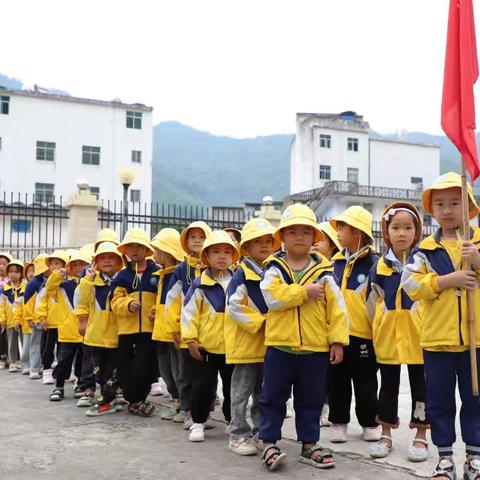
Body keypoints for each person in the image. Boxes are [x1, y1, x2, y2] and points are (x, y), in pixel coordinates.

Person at [258, 204, 349, 471]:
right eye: (293, 231)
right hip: (280, 347)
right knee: (272, 397)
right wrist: (303, 293)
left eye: (306, 232)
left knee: (311, 398)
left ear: (315, 237)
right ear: (282, 237)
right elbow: (271, 297)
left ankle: (309, 445)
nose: (299, 237)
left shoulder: (325, 273)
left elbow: (338, 309)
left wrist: (337, 341)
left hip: (315, 348)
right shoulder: (273, 268)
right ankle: (269, 442)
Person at [402, 172, 480, 480]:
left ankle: (474, 459)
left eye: (454, 202)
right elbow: (411, 286)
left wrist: (477, 259)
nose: (447, 210)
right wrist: (447, 280)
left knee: (475, 399)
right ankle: (445, 459)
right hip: (437, 341)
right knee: (440, 401)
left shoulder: (476, 243)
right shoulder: (425, 250)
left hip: (476, 341)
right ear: (432, 210)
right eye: (440, 204)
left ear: (469, 207)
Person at [367, 202, 429, 462]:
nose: (401, 233)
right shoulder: (379, 267)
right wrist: (379, 325)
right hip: (389, 336)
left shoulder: (424, 262)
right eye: (395, 227)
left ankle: (421, 435)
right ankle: (386, 433)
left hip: (419, 335)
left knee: (421, 386)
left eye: (407, 227)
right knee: (388, 386)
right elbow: (371, 304)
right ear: (386, 231)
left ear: (417, 232)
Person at [225, 218, 280, 455]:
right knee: (240, 392)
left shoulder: (275, 271)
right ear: (245, 247)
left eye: (268, 241)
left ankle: (259, 431)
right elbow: (233, 307)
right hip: (246, 345)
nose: (264, 246)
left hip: (267, 346)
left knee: (262, 393)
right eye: (257, 242)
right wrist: (261, 323)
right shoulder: (241, 275)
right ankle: (237, 434)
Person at [327, 206, 380, 443]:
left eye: (342, 227)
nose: (337, 231)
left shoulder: (375, 264)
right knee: (337, 381)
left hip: (365, 336)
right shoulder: (334, 262)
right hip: (337, 335)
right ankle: (338, 422)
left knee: (366, 382)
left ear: (357, 232)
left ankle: (369, 422)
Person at [181, 230, 238, 442]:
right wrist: (191, 340)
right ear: (206, 256)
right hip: (206, 347)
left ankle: (233, 421)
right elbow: (189, 313)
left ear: (234, 256)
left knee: (233, 388)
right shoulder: (199, 284)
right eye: (216, 252)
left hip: (233, 347)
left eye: (227, 252)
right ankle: (198, 422)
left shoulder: (237, 281)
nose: (222, 256)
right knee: (202, 387)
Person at [165, 221, 212, 428]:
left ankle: (205, 412)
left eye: (202, 237)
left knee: (209, 377)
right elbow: (171, 300)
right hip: (187, 333)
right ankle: (188, 411)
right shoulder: (181, 270)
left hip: (211, 335)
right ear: (185, 242)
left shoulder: (216, 267)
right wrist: (175, 327)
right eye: (193, 237)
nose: (197, 241)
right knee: (186, 376)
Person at [111, 228, 160, 417]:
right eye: (130, 246)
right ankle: (133, 399)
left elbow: (161, 297)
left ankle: (139, 399)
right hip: (126, 330)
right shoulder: (122, 276)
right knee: (125, 365)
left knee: (144, 365)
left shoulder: (157, 273)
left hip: (148, 330)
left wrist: (155, 311)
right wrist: (127, 304)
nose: (135, 250)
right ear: (125, 250)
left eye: (139, 246)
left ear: (147, 249)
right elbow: (114, 301)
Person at [75, 241, 124, 416]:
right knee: (99, 371)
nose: (107, 261)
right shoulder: (89, 282)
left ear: (119, 261)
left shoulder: (123, 279)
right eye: (102, 257)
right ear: (96, 262)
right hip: (95, 336)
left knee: (113, 371)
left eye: (111, 257)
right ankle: (108, 398)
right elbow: (82, 301)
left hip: (116, 335)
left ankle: (108, 401)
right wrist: (82, 321)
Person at [40, 250, 91, 401]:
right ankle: (59, 387)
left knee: (83, 363)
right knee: (63, 361)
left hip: (86, 332)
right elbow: (49, 288)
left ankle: (81, 386)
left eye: (82, 264)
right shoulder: (62, 284)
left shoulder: (91, 283)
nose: (79, 267)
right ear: (70, 267)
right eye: (75, 264)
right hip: (67, 332)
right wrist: (57, 274)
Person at [150, 228, 185, 419]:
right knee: (165, 369)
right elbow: (164, 301)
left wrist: (176, 327)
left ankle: (183, 403)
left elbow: (177, 303)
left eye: (157, 249)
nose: (153, 253)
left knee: (177, 369)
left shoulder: (177, 274)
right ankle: (177, 399)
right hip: (161, 331)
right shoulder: (163, 274)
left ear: (167, 251)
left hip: (173, 332)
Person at [36, 250, 70, 385]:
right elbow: (40, 301)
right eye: (52, 264)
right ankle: (47, 371)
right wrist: (41, 317)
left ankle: (64, 371)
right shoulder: (46, 284)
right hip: (50, 323)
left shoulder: (68, 283)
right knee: (47, 348)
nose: (54, 267)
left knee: (64, 350)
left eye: (57, 263)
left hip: (64, 323)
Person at [22, 253, 49, 380]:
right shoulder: (33, 283)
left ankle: (45, 367)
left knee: (47, 345)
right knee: (36, 344)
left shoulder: (49, 280)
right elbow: (27, 302)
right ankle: (34, 368)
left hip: (48, 319)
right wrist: (29, 318)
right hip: (37, 319)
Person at [0, 260, 25, 373]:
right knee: (11, 342)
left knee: (25, 341)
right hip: (10, 321)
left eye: (16, 272)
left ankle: (24, 361)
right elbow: (1, 306)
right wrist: (2, 319)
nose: (13, 274)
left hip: (23, 321)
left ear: (21, 273)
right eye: (10, 272)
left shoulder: (25, 288)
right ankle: (13, 362)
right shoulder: (4, 290)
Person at [0, 252, 12, 369]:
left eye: (4, 264)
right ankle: (2, 358)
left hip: (8, 313)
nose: (1, 266)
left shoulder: (11, 281)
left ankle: (9, 357)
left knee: (8, 337)